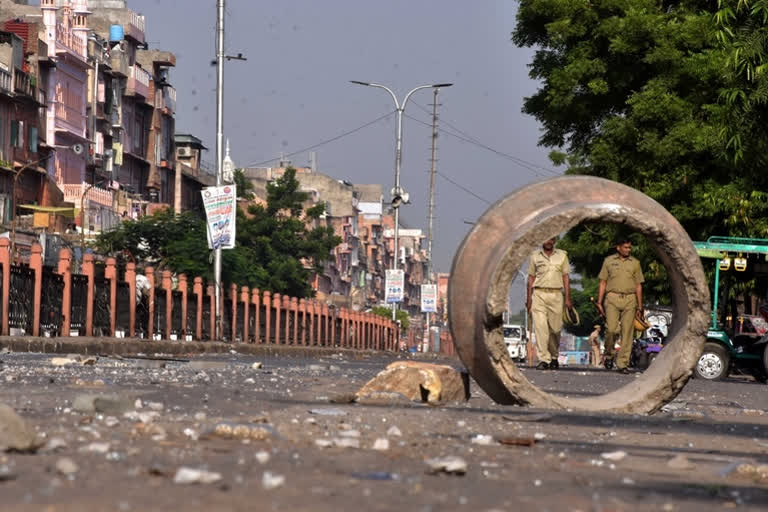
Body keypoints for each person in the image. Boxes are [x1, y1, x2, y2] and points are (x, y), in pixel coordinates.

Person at [596, 237, 645, 374]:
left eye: (629, 248)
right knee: (611, 329)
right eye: (625, 247)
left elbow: (638, 285)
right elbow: (603, 282)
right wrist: (599, 302)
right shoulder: (608, 261)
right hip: (612, 297)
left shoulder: (635, 263)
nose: (628, 250)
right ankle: (609, 354)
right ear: (618, 248)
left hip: (630, 299)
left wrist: (640, 306)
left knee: (627, 332)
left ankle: (622, 363)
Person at [526, 237, 572, 370]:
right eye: (546, 238)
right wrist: (529, 298)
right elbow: (530, 277)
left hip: (556, 294)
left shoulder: (562, 256)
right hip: (539, 294)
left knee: (555, 329)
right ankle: (543, 359)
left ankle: (554, 356)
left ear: (554, 240)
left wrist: (568, 298)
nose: (548, 241)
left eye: (551, 239)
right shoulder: (534, 256)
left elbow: (566, 277)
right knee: (541, 329)